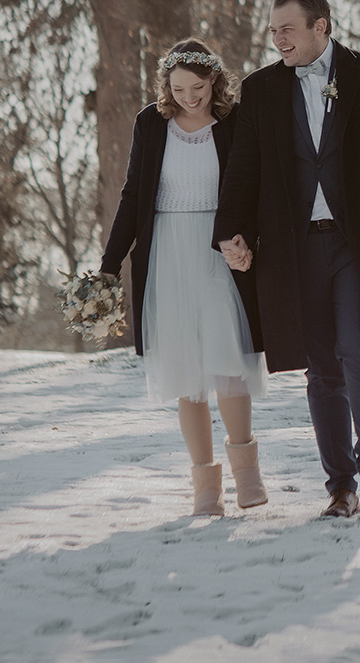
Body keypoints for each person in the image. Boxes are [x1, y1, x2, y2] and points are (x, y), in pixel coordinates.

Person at [214, 0, 360, 518]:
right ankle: (338, 485)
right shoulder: (261, 89)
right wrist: (231, 231)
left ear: (322, 27)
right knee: (321, 366)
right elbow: (243, 168)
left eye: (287, 29)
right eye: (273, 31)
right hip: (292, 249)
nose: (278, 39)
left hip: (359, 242)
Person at [101, 39, 269, 517]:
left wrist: (245, 241)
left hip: (219, 249)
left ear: (214, 80)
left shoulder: (234, 123)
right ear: (165, 86)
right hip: (167, 254)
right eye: (178, 88)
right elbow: (134, 195)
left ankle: (247, 475)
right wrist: (109, 266)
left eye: (197, 87)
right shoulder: (150, 124)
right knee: (186, 376)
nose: (189, 97)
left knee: (227, 362)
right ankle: (205, 490)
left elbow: (252, 188)